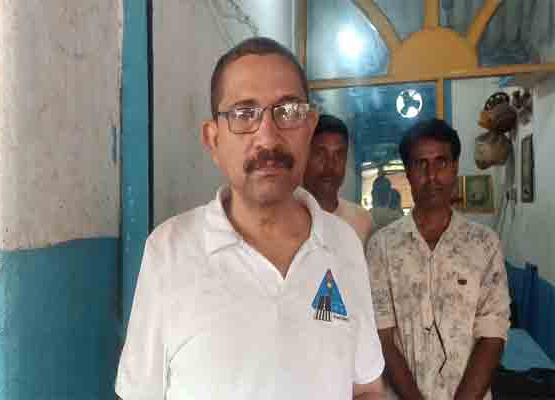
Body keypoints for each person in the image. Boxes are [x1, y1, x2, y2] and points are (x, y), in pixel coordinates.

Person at [115, 37, 385, 400]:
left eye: (288, 111)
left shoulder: (344, 245)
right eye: (244, 114)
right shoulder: (169, 251)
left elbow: (366, 388)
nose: (268, 137)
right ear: (213, 140)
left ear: (309, 127)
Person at [366, 118, 510, 399]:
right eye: (420, 164)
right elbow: (382, 338)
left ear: (454, 168)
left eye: (441, 162)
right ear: (408, 173)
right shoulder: (381, 247)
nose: (431, 176)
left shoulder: (484, 244)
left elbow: (492, 334)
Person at [303, 114, 373, 243]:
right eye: (320, 154)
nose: (330, 165)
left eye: (339, 155)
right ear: (304, 157)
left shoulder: (362, 221)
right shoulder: (286, 219)